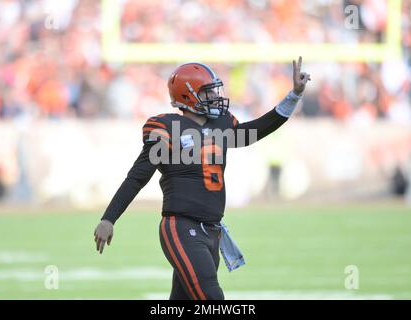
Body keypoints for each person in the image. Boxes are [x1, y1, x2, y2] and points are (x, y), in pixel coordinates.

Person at [94, 58, 311, 300]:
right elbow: (137, 177)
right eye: (207, 93)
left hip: (212, 230)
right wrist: (109, 218)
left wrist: (294, 95)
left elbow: (257, 130)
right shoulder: (167, 127)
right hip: (182, 227)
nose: (215, 97)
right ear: (188, 96)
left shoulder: (220, 124)